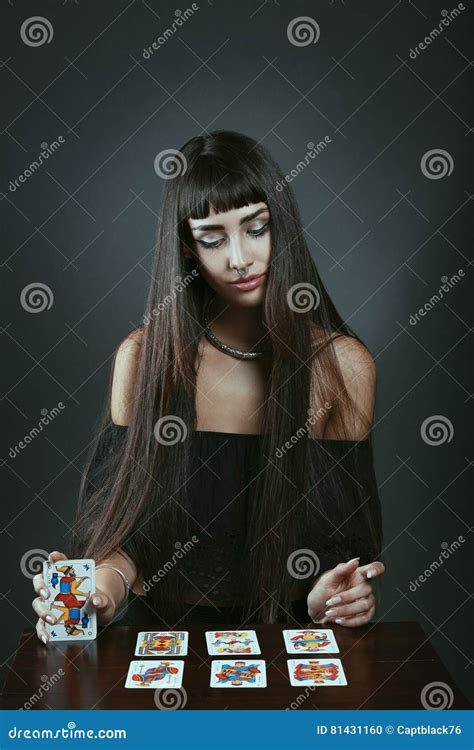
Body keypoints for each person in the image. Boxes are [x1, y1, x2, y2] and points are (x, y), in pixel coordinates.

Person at [32, 130, 385, 643]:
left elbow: (338, 551)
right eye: (213, 239)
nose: (239, 258)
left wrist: (334, 595)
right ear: (187, 250)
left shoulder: (342, 367)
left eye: (256, 228)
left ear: (281, 227)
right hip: (159, 643)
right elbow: (124, 533)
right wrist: (99, 592)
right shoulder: (144, 359)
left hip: (282, 644)